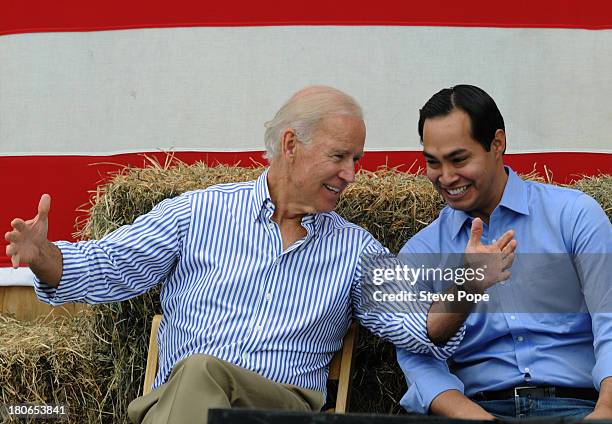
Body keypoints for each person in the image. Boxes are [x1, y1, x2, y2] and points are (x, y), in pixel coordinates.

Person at [5, 86, 500, 424]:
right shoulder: (197, 213)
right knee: (197, 379)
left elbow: (422, 327)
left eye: (357, 160)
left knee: (201, 371)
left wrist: (468, 285)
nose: (352, 174)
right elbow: (110, 265)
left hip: (280, 411)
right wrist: (44, 256)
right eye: (339, 157)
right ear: (291, 145)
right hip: (183, 406)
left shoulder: (355, 250)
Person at [396, 84, 612, 420]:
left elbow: (609, 320)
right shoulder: (420, 252)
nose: (446, 177)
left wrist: (605, 412)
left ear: (497, 143)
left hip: (579, 407)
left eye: (458, 159)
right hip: (478, 411)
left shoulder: (574, 215)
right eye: (433, 162)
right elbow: (418, 358)